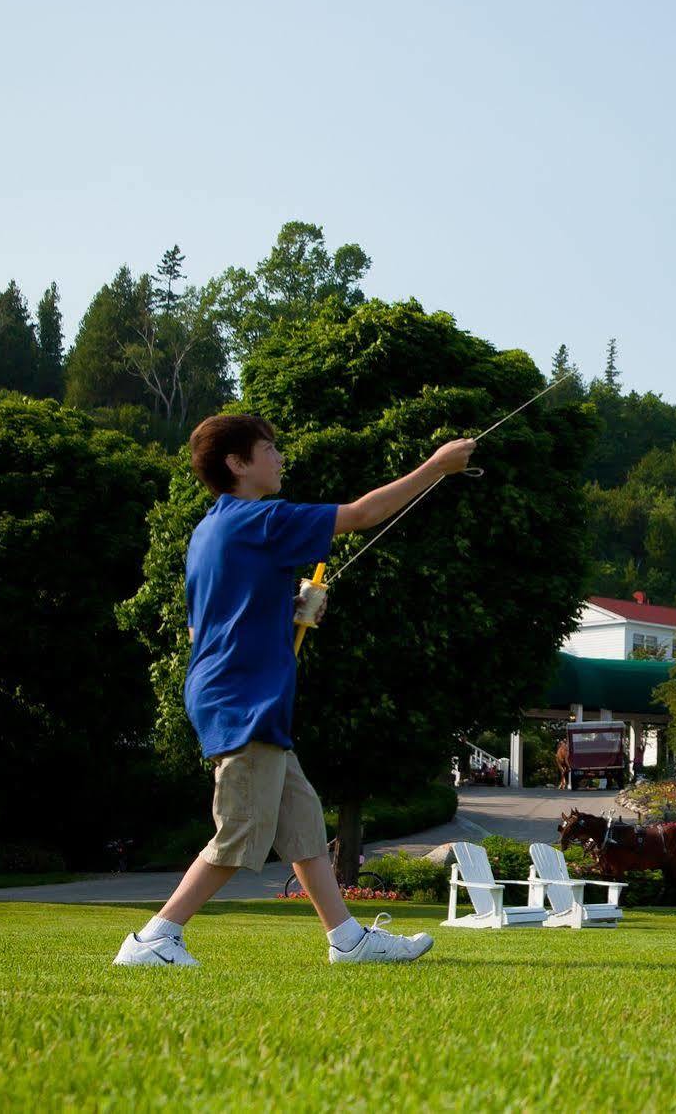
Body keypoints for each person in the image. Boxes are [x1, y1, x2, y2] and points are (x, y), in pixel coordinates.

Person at [113, 414, 476, 967]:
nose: (280, 458)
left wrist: (287, 611)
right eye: (269, 449)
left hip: (232, 692)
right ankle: (154, 938)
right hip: (245, 700)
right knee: (241, 831)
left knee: (303, 826)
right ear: (236, 463)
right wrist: (437, 468)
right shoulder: (260, 520)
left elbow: (203, 626)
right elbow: (361, 515)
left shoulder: (210, 529)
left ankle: (348, 940)